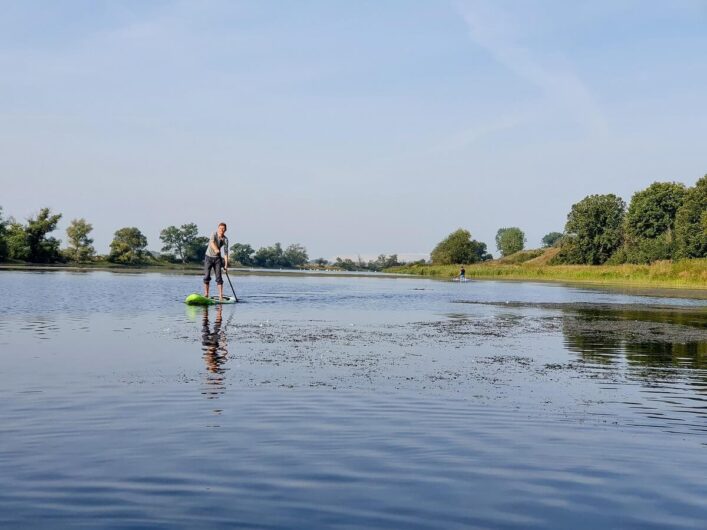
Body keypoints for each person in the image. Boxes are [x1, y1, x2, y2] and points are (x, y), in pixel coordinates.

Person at [203, 222, 229, 300]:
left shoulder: (225, 239)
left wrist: (226, 265)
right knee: (207, 276)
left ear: (225, 230)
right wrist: (216, 249)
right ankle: (206, 294)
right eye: (220, 228)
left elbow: (226, 253)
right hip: (208, 257)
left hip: (217, 259)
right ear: (218, 228)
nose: (222, 230)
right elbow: (211, 243)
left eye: (223, 229)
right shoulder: (214, 234)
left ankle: (221, 295)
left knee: (219, 278)